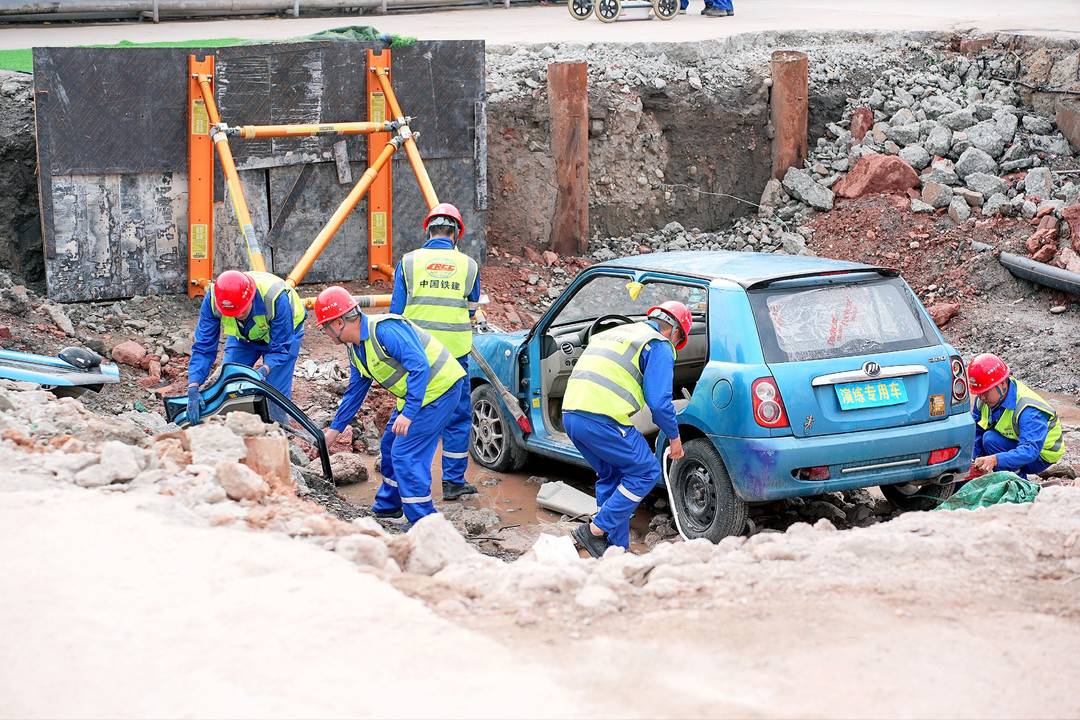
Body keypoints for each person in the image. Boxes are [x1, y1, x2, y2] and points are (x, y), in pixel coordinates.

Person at [315, 286, 466, 522]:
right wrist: (335, 430)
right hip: (416, 396)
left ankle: (424, 522)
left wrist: (409, 413)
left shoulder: (385, 330)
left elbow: (419, 366)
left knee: (406, 454)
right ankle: (388, 507)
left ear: (337, 323)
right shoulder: (356, 349)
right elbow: (355, 391)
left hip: (440, 391)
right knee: (389, 446)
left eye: (324, 327)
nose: (325, 332)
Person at [561, 301, 693, 558]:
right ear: (675, 331)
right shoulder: (658, 344)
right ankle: (595, 531)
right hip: (603, 419)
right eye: (678, 341)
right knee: (646, 471)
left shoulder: (616, 333)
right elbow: (659, 402)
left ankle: (614, 550)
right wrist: (675, 439)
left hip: (571, 416)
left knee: (613, 476)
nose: (675, 346)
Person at [390, 203, 481, 501]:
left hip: (416, 355)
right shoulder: (469, 265)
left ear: (428, 229)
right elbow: (470, 309)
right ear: (456, 234)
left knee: (408, 412)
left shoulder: (408, 262)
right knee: (456, 417)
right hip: (454, 357)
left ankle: (401, 482)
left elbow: (396, 314)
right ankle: (453, 482)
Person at [186, 270, 306, 425]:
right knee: (229, 380)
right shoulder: (215, 298)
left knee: (274, 395)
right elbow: (203, 345)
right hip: (243, 337)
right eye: (231, 313)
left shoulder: (275, 298)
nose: (237, 315)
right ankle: (232, 428)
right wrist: (193, 386)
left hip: (285, 336)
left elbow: (279, 349)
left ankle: (279, 432)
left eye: (241, 310)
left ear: (251, 298)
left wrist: (264, 369)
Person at [968, 352, 1065, 479]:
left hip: (1041, 455)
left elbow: (1030, 450)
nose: (981, 397)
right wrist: (971, 459)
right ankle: (1004, 472)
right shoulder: (984, 399)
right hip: (1018, 442)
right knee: (986, 439)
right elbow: (976, 431)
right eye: (979, 393)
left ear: (1002, 383)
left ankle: (1018, 482)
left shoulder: (1028, 409)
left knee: (990, 440)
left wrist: (996, 460)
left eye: (985, 392)